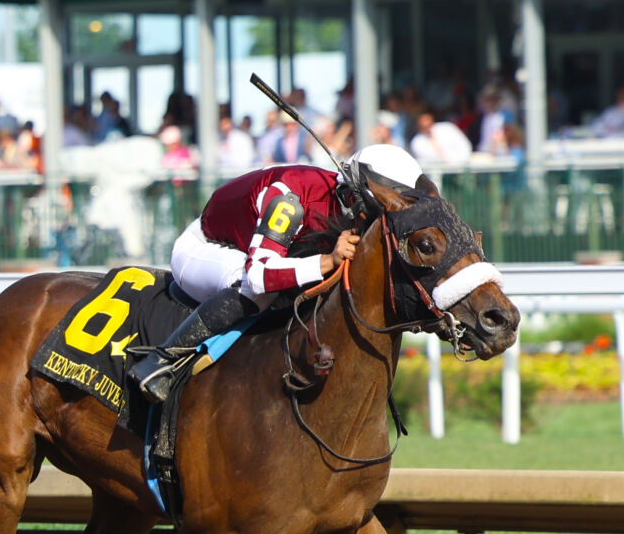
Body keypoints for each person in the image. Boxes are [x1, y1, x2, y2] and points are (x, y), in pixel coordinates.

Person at [126, 144, 425, 409]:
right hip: (206, 247)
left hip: (256, 249)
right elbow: (258, 275)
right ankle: (161, 361)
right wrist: (327, 261)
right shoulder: (290, 200)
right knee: (257, 292)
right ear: (358, 196)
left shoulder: (348, 204)